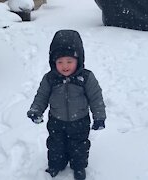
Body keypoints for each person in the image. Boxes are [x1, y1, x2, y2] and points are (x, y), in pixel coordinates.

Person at [27, 29, 106, 180]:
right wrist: (36, 110)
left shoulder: (86, 77)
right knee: (56, 146)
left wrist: (99, 117)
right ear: (53, 62)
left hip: (80, 121)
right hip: (56, 121)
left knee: (79, 147)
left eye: (69, 61)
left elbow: (96, 98)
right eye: (60, 62)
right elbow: (41, 96)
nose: (65, 66)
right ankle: (56, 165)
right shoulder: (50, 78)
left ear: (79, 60)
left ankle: (78, 167)